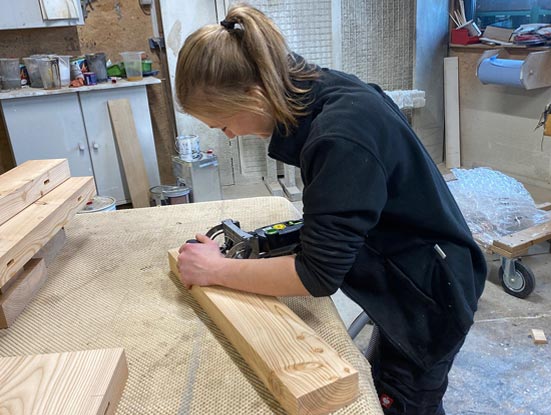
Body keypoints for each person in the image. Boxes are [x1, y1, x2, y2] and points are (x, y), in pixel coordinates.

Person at [175, 4, 487, 414]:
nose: (230, 135)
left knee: (403, 401)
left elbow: (316, 276)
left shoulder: (339, 136)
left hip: (430, 297)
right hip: (408, 262)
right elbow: (344, 210)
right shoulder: (319, 89)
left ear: (254, 95)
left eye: (223, 124)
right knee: (384, 377)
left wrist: (215, 270)